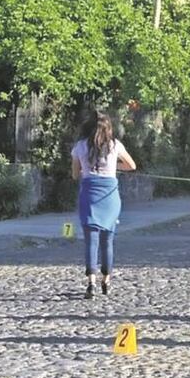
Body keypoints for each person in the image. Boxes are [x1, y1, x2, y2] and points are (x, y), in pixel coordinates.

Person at [71, 112, 137, 299]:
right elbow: (131, 165)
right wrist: (113, 167)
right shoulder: (115, 145)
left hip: (89, 194)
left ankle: (91, 282)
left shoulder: (79, 147)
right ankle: (106, 279)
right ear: (108, 128)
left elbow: (75, 175)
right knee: (107, 239)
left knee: (90, 240)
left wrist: (87, 168)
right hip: (109, 196)